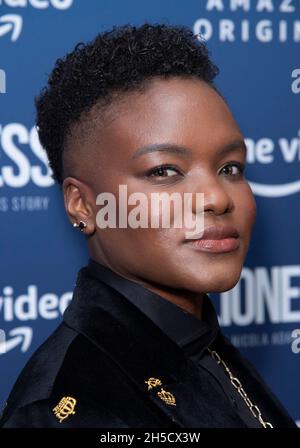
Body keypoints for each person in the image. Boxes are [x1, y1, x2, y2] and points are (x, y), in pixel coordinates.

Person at [0, 23, 296, 428]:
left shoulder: (202, 344)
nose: (217, 197)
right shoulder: (70, 409)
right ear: (83, 204)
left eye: (230, 167)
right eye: (164, 171)